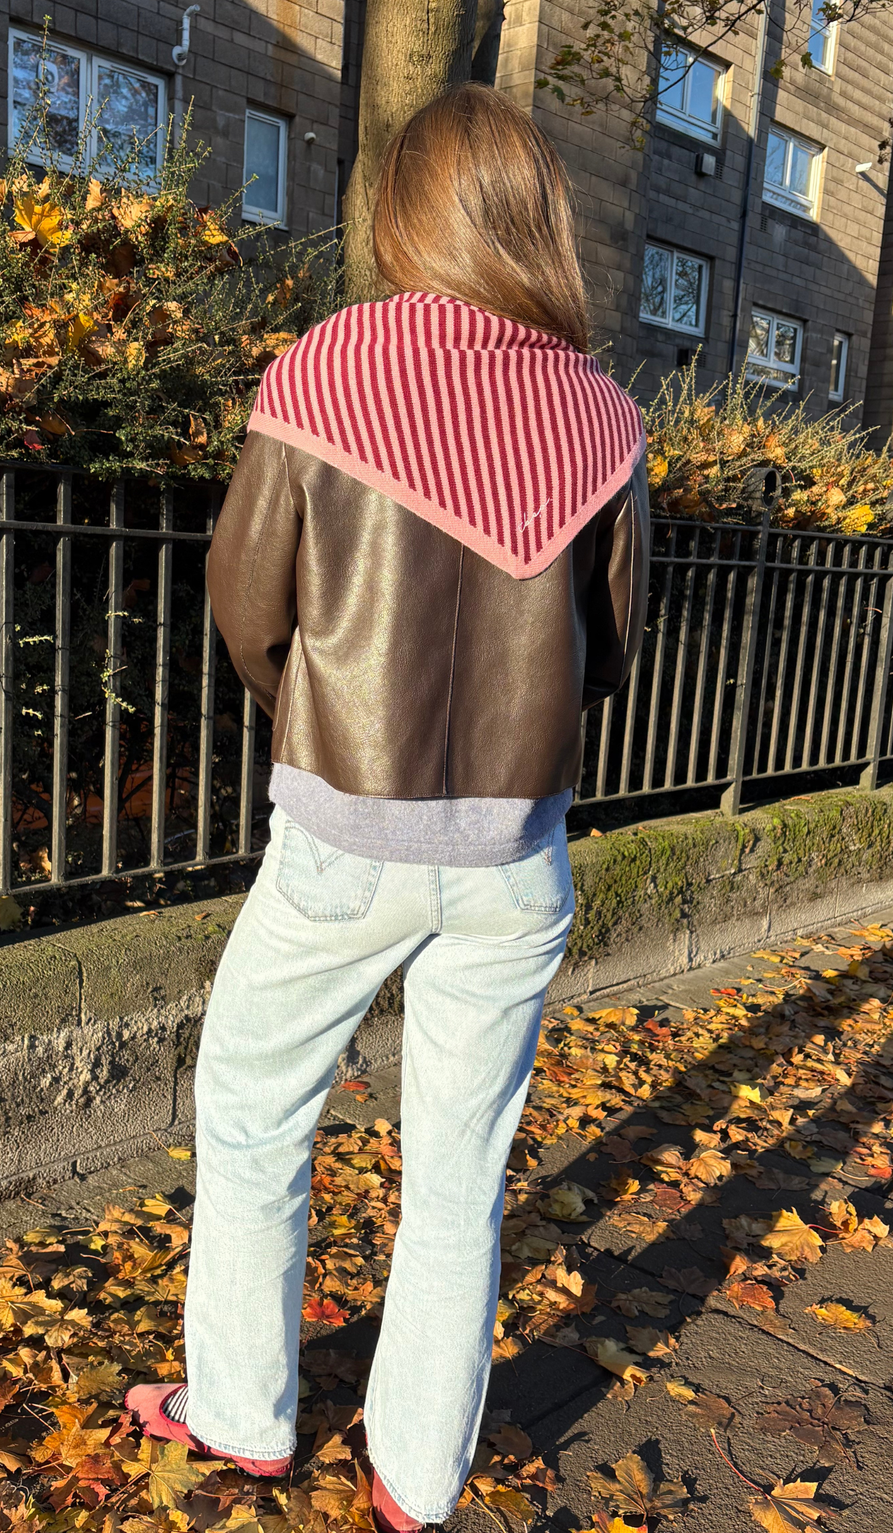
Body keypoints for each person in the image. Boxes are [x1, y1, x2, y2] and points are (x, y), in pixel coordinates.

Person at [126, 80, 649, 1533]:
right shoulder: (606, 416)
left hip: (343, 840)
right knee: (460, 1177)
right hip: (514, 858)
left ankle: (242, 1411)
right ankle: (418, 1477)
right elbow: (612, 646)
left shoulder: (331, 367)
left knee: (249, 1119)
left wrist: (309, 710)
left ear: (398, 212)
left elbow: (245, 606)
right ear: (532, 216)